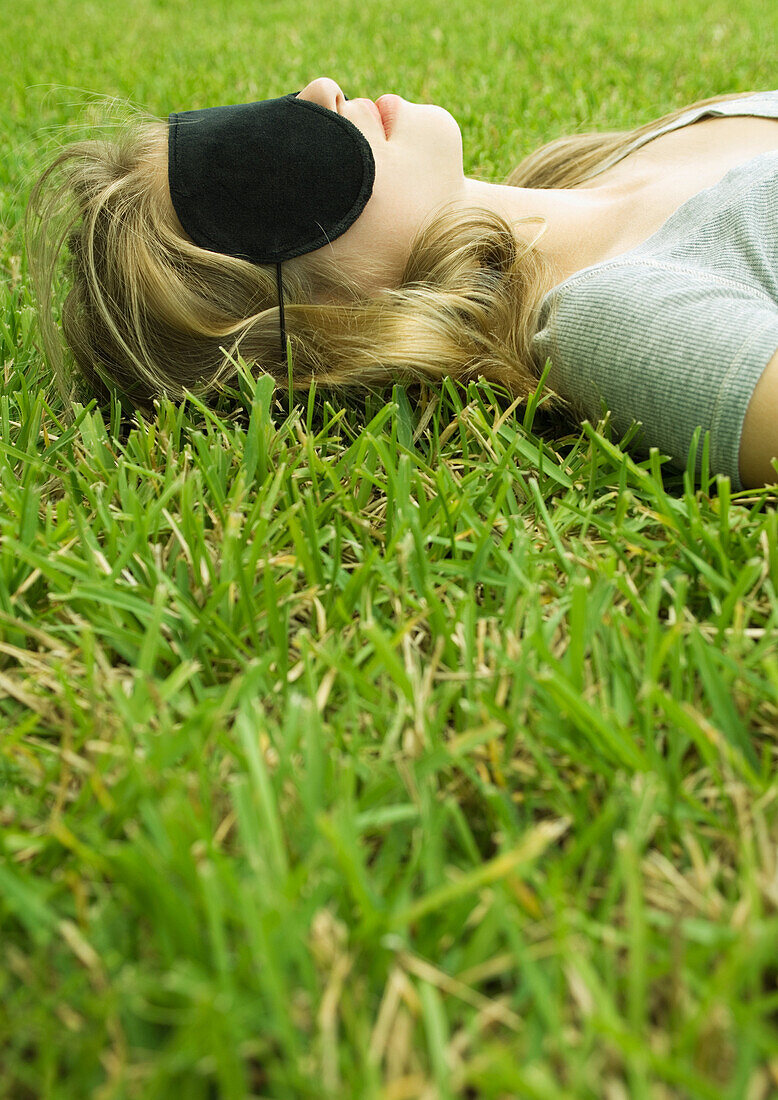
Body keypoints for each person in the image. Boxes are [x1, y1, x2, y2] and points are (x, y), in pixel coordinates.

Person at [25, 78, 778, 489]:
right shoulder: (617, 318)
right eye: (276, 163)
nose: (318, 91)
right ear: (330, 321)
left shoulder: (628, 154)